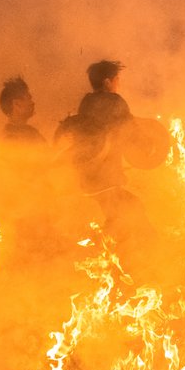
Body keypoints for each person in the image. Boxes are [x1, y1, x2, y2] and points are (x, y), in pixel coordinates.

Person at [55, 60, 152, 246]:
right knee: (132, 212)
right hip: (106, 180)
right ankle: (150, 253)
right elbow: (131, 131)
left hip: (87, 179)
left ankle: (105, 257)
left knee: (118, 217)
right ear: (108, 82)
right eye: (117, 80)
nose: (118, 84)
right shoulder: (115, 102)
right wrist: (148, 146)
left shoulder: (86, 104)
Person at [0, 76, 45, 145]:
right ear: (16, 104)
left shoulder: (31, 131)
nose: (32, 103)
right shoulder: (10, 138)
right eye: (29, 98)